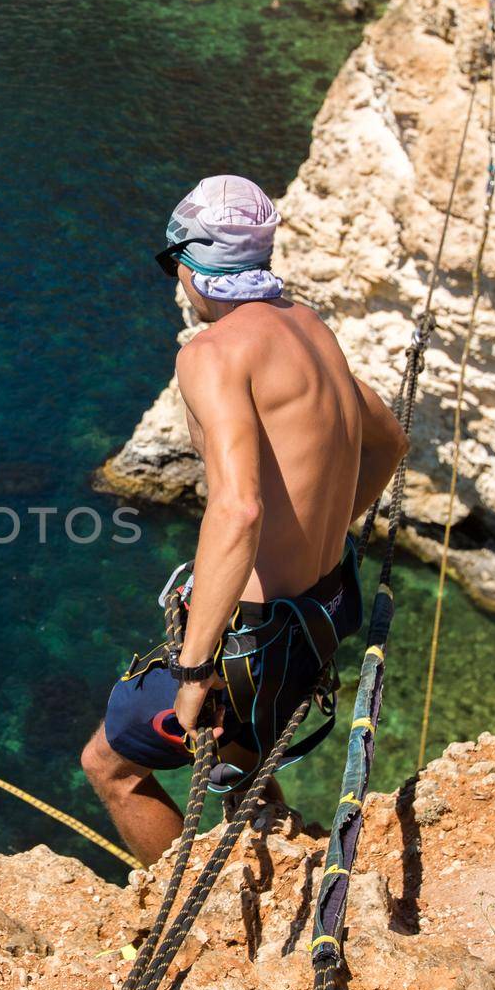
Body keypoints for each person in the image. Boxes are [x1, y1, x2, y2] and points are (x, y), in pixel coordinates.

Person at [81, 175, 409, 865]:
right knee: (245, 778)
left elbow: (238, 505)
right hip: (319, 615)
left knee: (108, 765)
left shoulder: (211, 354)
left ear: (197, 266)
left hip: (250, 646)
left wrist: (195, 667)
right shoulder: (309, 326)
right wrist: (327, 524)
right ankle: (260, 883)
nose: (176, 283)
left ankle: (188, 911)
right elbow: (388, 440)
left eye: (175, 265)